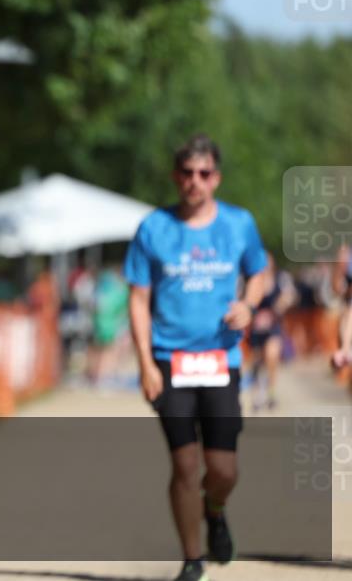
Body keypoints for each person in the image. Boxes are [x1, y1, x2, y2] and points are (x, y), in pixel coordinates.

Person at [124, 134, 267, 581]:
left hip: (221, 358)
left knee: (223, 469)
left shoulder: (239, 224)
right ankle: (192, 559)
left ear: (216, 178)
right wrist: (145, 363)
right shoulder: (153, 228)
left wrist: (249, 305)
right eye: (187, 173)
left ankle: (215, 510)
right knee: (185, 464)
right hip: (170, 359)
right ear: (176, 177)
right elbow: (138, 299)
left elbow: (259, 273)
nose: (195, 181)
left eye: (204, 173)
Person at [247, 253, 296, 411]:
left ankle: (271, 392)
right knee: (257, 361)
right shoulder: (253, 279)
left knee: (272, 356)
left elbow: (290, 295)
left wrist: (278, 307)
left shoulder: (281, 277)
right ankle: (258, 393)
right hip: (256, 329)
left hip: (274, 326)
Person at [331, 245, 352, 386]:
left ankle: (345, 349)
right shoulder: (342, 269)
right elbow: (337, 289)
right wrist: (339, 268)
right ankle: (344, 350)